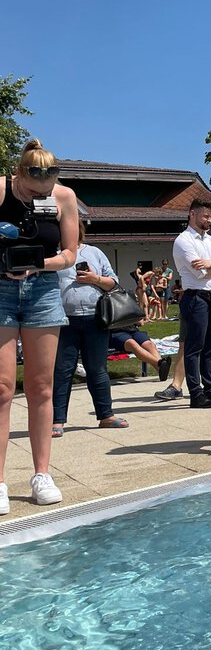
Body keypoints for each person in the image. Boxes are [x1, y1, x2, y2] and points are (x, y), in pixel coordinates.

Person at [0, 138, 79, 512]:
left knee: (41, 387)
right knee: (2, 388)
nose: (40, 196)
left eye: (46, 190)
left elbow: (70, 254)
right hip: (0, 289)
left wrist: (37, 264)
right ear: (19, 173)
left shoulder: (64, 197)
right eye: (33, 191)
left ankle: (42, 474)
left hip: (43, 290)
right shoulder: (1, 190)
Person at [51, 219, 127, 437]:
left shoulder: (94, 252)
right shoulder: (52, 255)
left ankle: (106, 415)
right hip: (63, 320)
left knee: (97, 369)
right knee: (62, 370)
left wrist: (95, 279)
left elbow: (114, 283)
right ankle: (57, 420)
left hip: (95, 318)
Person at [173, 198, 211, 410]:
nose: (209, 220)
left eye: (210, 216)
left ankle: (210, 388)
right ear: (192, 214)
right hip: (195, 296)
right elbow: (200, 273)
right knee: (194, 347)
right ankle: (195, 392)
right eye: (205, 216)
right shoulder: (183, 241)